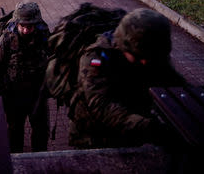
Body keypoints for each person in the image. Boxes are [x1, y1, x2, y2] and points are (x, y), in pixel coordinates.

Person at [67, 8, 186, 149]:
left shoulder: (149, 52)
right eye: (138, 56)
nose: (144, 62)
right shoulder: (96, 58)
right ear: (123, 46)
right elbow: (102, 106)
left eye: (149, 57)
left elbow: (174, 82)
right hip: (93, 137)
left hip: (132, 131)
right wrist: (152, 128)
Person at [0, 0, 50, 152]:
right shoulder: (6, 39)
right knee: (15, 134)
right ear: (17, 23)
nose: (26, 30)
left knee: (41, 134)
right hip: (14, 96)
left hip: (37, 95)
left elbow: (54, 59)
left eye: (30, 26)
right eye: (23, 26)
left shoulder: (43, 35)